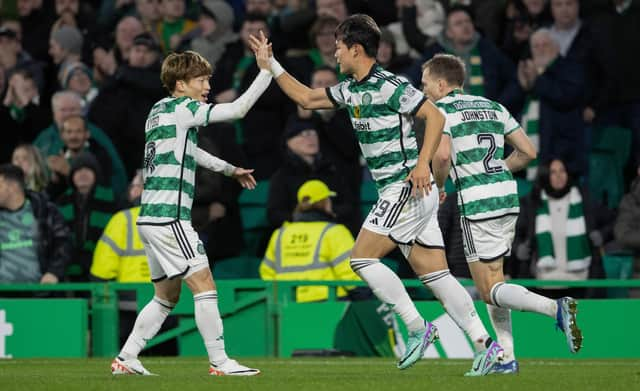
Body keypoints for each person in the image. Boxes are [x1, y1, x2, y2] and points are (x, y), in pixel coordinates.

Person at [253, 14, 505, 375]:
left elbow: (434, 117)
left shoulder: (390, 85)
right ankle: (486, 345)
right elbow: (307, 98)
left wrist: (422, 165)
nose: (334, 54)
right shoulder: (350, 88)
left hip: (405, 186)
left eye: (339, 47)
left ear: (356, 49)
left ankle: (418, 328)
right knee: (437, 277)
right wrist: (270, 64)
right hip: (409, 191)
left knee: (361, 259)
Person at [110, 48, 273, 376]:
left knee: (166, 295)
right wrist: (267, 72)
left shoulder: (158, 110)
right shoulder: (185, 108)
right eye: (201, 80)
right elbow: (239, 110)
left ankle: (127, 357)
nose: (207, 86)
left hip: (149, 217)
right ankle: (220, 362)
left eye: (208, 79)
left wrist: (229, 170)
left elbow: (190, 150)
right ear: (180, 85)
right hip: (170, 216)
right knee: (205, 284)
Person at [427, 53, 584, 374]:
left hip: (476, 200)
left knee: (487, 289)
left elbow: (442, 156)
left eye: (426, 83)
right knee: (495, 282)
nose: (424, 89)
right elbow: (529, 152)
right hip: (507, 196)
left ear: (442, 84)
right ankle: (506, 358)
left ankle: (554, 308)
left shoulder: (440, 110)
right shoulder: (493, 106)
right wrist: (497, 170)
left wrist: (440, 186)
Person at [514, 158, 613, 296]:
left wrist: (602, 235)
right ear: (545, 175)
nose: (559, 176)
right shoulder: (531, 203)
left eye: (562, 171)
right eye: (553, 172)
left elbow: (613, 221)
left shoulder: (583, 200)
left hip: (580, 284)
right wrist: (518, 247)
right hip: (542, 285)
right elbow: (514, 234)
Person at [260, 179, 359, 303]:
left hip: (287, 305)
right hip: (330, 304)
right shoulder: (335, 232)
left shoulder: (280, 234)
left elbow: (267, 273)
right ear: (325, 203)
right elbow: (350, 274)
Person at [0, 164, 71, 285]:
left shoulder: (45, 211)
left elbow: (64, 243)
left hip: (39, 296)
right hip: (3, 298)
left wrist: (54, 272)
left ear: (12, 186)